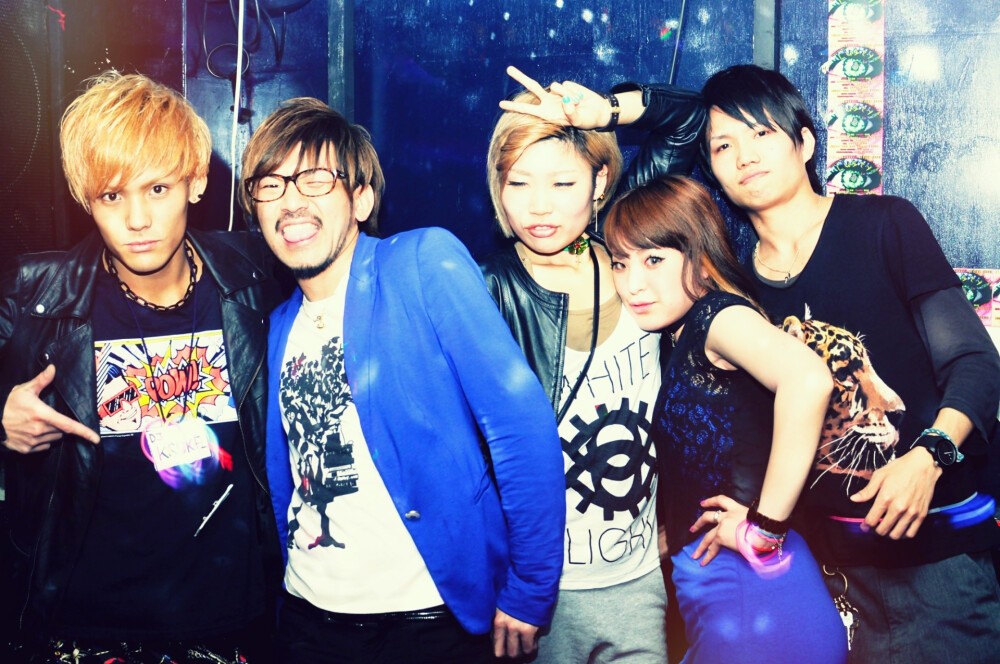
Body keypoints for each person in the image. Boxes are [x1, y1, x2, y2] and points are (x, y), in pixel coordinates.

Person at [238, 97, 565, 663]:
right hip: (308, 621)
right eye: (271, 185)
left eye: (316, 179)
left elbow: (521, 428)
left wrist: (531, 588)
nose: (291, 201)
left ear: (361, 199)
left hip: (428, 623)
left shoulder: (421, 263)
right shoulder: (277, 323)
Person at [699, 64, 1000, 662]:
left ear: (805, 143)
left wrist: (929, 457)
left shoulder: (883, 224)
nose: (744, 156)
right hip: (810, 585)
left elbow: (975, 363)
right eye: (722, 145)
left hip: (933, 572)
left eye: (762, 133)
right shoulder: (733, 289)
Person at [0, 72, 283, 663]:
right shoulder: (37, 295)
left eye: (157, 189)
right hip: (86, 631)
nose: (136, 219)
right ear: (87, 201)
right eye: (112, 196)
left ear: (196, 181)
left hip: (235, 625)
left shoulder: (257, 276)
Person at [479, 66, 704, 662]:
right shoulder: (487, 289)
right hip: (537, 593)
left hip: (639, 580)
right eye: (518, 182)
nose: (539, 206)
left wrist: (605, 113)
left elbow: (690, 119)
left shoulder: (633, 251)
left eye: (562, 182)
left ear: (600, 181)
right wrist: (515, 583)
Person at [604, 174, 846, 663]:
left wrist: (764, 528)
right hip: (738, 597)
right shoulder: (680, 334)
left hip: (753, 599)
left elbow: (808, 380)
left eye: (654, 260)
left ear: (699, 254)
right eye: (620, 262)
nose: (632, 284)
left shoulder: (717, 316)